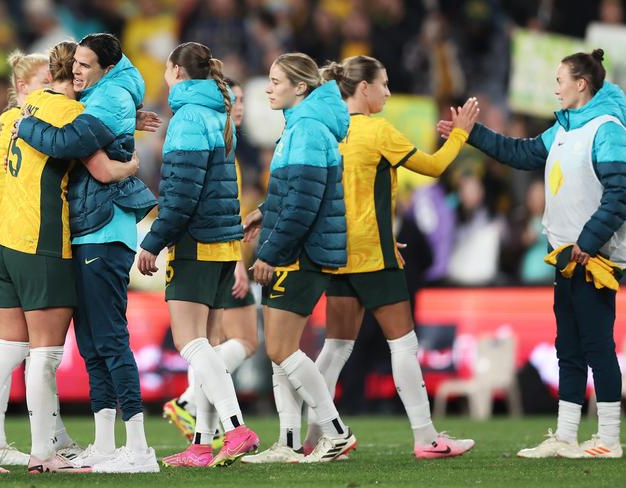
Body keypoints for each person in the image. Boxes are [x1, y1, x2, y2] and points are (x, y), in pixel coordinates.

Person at [244, 55, 477, 464]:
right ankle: (426, 437)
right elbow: (435, 166)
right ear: (364, 88)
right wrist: (459, 135)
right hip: (373, 256)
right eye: (383, 84)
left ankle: (318, 436)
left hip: (333, 255)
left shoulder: (326, 131)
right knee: (403, 345)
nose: (387, 91)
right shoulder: (377, 131)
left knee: (335, 348)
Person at [438, 49, 626, 459]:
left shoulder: (609, 128)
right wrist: (473, 134)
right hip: (564, 255)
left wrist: (588, 242)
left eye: (560, 79)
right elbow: (520, 154)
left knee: (597, 347)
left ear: (581, 84)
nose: (554, 87)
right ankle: (566, 436)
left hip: (592, 259)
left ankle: (610, 440)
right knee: (569, 348)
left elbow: (620, 194)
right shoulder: (563, 129)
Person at [0, 40, 138, 475]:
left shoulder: (10, 117)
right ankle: (45, 454)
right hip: (40, 241)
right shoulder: (68, 113)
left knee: (8, 347)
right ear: (73, 75)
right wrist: (131, 163)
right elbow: (103, 168)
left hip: (0, 243)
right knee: (44, 356)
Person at [14, 33, 159, 473]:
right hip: (86, 231)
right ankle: (104, 443)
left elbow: (67, 143)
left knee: (111, 339)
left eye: (87, 65)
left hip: (105, 230)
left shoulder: (112, 95)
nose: (77, 70)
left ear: (108, 68)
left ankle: (139, 448)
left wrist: (26, 122)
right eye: (75, 62)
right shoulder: (103, 96)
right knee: (94, 344)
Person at [137, 42, 259, 468]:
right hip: (224, 244)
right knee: (207, 345)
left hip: (196, 243)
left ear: (175, 71)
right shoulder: (218, 113)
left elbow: (182, 194)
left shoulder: (187, 118)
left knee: (189, 342)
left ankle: (237, 428)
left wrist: (154, 240)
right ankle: (202, 444)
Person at [241, 52, 355, 464]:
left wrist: (270, 252)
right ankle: (289, 442)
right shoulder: (301, 126)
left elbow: (304, 208)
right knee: (278, 350)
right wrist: (265, 210)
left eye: (275, 81)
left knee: (282, 348)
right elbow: (293, 196)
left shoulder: (306, 128)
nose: (268, 88)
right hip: (300, 249)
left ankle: (336, 432)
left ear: (301, 87)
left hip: (302, 254)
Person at [162, 78, 258, 445]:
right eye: (234, 97)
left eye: (243, 98)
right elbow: (205, 205)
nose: (240, 104)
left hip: (216, 251)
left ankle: (207, 434)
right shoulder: (216, 140)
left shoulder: (220, 141)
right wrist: (234, 260)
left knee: (208, 343)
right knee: (217, 342)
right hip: (216, 252)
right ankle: (202, 418)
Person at [0, 50, 48, 468]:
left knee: (9, 346)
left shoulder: (7, 123)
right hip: (7, 245)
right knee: (11, 346)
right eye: (43, 83)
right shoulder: (19, 122)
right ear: (22, 88)